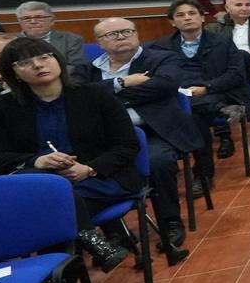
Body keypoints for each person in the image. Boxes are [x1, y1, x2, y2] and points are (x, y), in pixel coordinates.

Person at [0, 35, 139, 279]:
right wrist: (37, 160)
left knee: (50, 212)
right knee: (50, 200)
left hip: (99, 180)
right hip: (40, 184)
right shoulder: (3, 107)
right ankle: (91, 242)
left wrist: (88, 169)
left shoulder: (95, 95)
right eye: (25, 62)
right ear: (13, 73)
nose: (38, 65)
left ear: (57, 60)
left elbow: (127, 145)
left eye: (44, 57)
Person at [80, 17, 203, 257]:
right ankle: (116, 232)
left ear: (136, 34)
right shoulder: (88, 69)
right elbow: (78, 96)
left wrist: (106, 100)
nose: (122, 37)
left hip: (155, 131)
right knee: (89, 167)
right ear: (100, 42)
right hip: (108, 139)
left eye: (127, 31)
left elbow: (164, 86)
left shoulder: (161, 58)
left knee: (157, 163)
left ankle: (170, 222)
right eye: (113, 34)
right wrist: (121, 82)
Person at [152, 0, 250, 161]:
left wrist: (207, 88)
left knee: (191, 113)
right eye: (180, 15)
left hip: (217, 90)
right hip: (181, 94)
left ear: (202, 18)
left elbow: (236, 74)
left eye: (192, 13)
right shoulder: (161, 46)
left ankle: (203, 173)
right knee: (191, 111)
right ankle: (219, 110)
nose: (187, 18)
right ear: (172, 22)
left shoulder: (222, 42)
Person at [13, 1, 88, 71]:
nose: (33, 22)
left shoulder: (71, 40)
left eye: (39, 17)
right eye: (27, 18)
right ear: (20, 22)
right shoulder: (10, 41)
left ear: (52, 20)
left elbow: (75, 67)